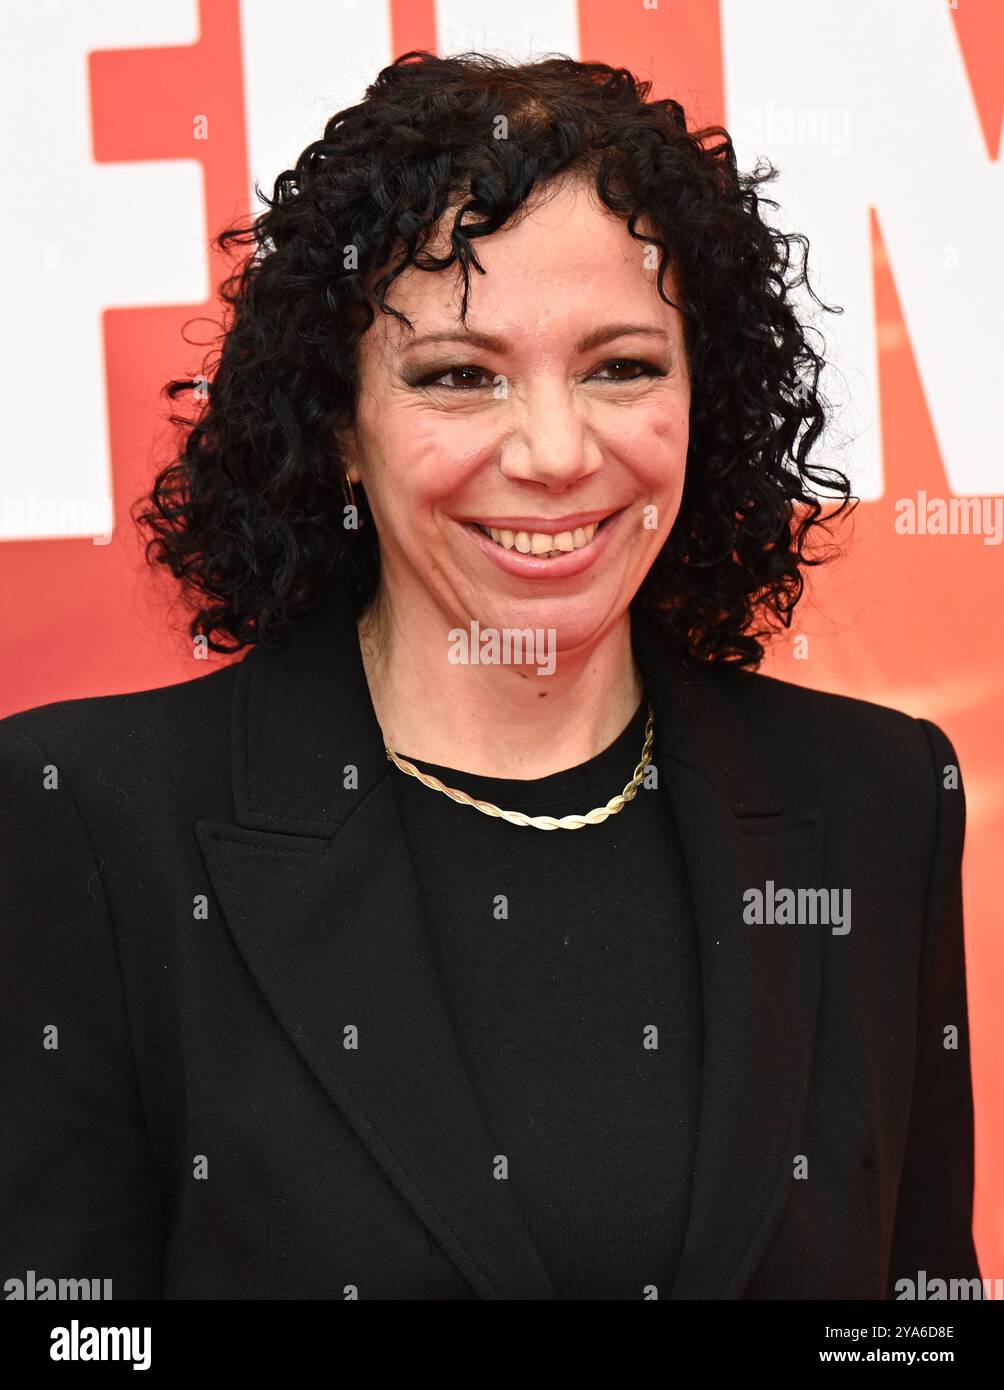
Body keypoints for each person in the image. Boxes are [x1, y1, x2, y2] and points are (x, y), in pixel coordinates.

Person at [0, 51, 979, 1300]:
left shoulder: (875, 799)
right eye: (460, 375)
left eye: (621, 366)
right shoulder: (85, 819)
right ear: (339, 425)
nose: (556, 452)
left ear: (704, 397)